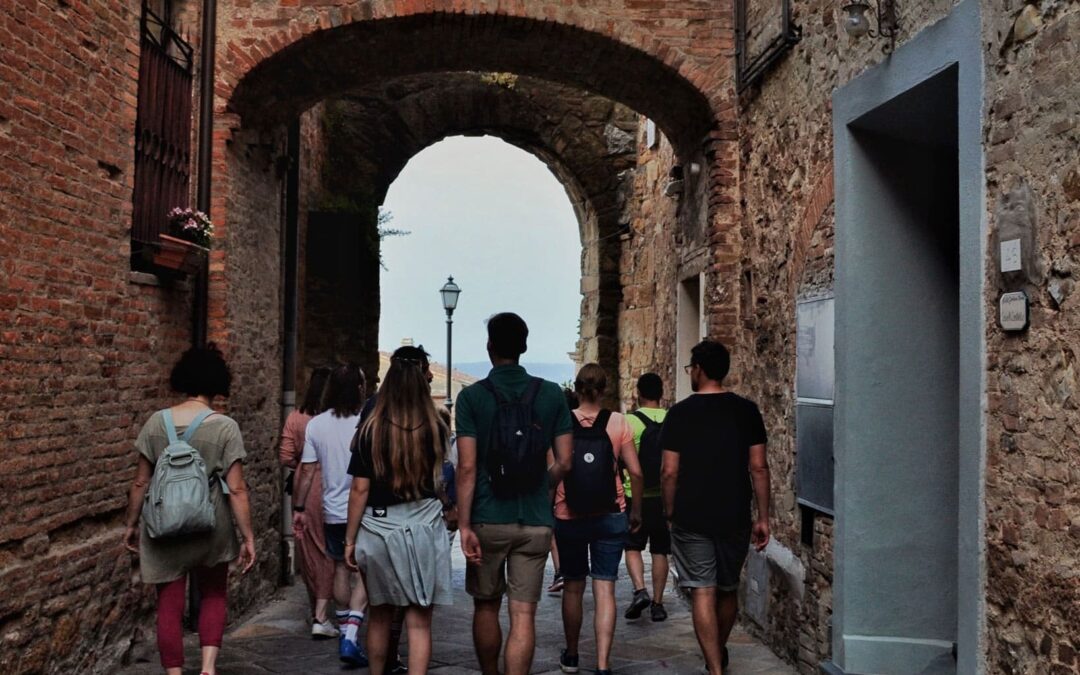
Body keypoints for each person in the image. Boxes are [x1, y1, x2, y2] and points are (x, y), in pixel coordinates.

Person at [123, 345, 257, 675]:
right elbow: (237, 487)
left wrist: (130, 523)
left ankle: (174, 673)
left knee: (168, 605)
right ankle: (208, 668)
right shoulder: (225, 427)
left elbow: (141, 482)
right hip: (211, 523)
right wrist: (248, 536)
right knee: (213, 593)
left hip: (163, 526)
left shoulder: (156, 423)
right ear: (217, 382)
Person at [455, 312, 574, 675]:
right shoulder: (551, 394)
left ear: (489, 347)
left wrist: (464, 524)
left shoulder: (472, 398)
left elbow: (467, 467)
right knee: (523, 614)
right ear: (524, 346)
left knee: (486, 606)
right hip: (535, 520)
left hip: (488, 517)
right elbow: (566, 461)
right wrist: (544, 485)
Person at [660, 340, 771, 675]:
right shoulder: (747, 411)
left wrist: (668, 509)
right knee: (727, 588)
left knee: (702, 591)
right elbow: (759, 467)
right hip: (734, 512)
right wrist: (763, 517)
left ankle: (714, 666)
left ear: (699, 369)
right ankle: (716, 655)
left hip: (691, 514)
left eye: (690, 367)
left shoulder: (679, 414)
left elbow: (669, 470)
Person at [344, 354, 454, 675]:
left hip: (378, 525)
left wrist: (350, 540)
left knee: (379, 615)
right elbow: (439, 480)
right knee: (419, 621)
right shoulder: (435, 428)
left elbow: (359, 490)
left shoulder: (370, 432)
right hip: (423, 524)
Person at [554, 363, 643, 675]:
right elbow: (636, 471)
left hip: (569, 514)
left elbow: (555, 470)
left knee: (574, 587)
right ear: (605, 390)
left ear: (577, 389)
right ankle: (603, 664)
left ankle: (573, 655)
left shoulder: (562, 422)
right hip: (610, 513)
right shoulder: (618, 422)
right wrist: (636, 510)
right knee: (605, 588)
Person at [293, 363, 369, 667]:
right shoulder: (367, 421)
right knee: (366, 572)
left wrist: (299, 508)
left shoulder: (317, 425)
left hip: (332, 510)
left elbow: (308, 472)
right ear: (359, 389)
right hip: (363, 509)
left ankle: (342, 628)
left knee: (339, 566)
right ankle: (351, 633)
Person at [278, 366, 338, 638]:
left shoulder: (296, 417)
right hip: (334, 484)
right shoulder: (336, 421)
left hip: (306, 488)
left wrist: (302, 464)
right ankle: (323, 614)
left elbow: (285, 456)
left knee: (310, 551)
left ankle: (317, 607)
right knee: (330, 549)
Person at [622, 372, 671, 623]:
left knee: (632, 546)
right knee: (660, 550)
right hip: (664, 496)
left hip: (634, 495)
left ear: (638, 393)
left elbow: (625, 462)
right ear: (661, 394)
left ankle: (640, 589)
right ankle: (658, 603)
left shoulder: (630, 422)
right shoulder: (672, 419)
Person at [547, 386, 580, 595]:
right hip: (585, 487)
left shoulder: (554, 429)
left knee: (552, 529)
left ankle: (561, 570)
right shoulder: (583, 426)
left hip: (560, 489)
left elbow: (553, 464)